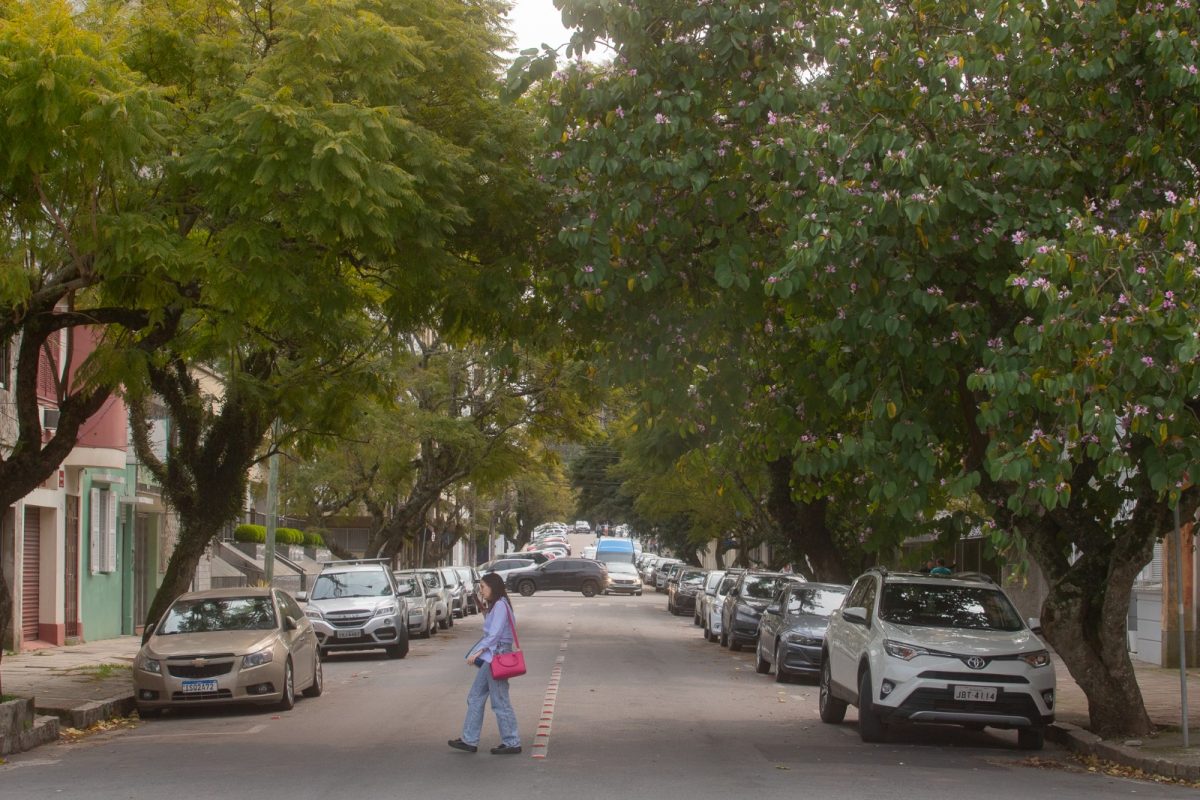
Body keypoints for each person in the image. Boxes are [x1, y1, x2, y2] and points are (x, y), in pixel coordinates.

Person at [448, 572, 522, 755]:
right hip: (492, 657)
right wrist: (484, 612)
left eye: (483, 587)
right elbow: (494, 629)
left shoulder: (501, 606)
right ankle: (469, 740)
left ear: (493, 587)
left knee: (500, 701)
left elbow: (494, 634)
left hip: (496, 656)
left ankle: (512, 741)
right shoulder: (497, 606)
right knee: (475, 696)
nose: (481, 591)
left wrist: (478, 652)